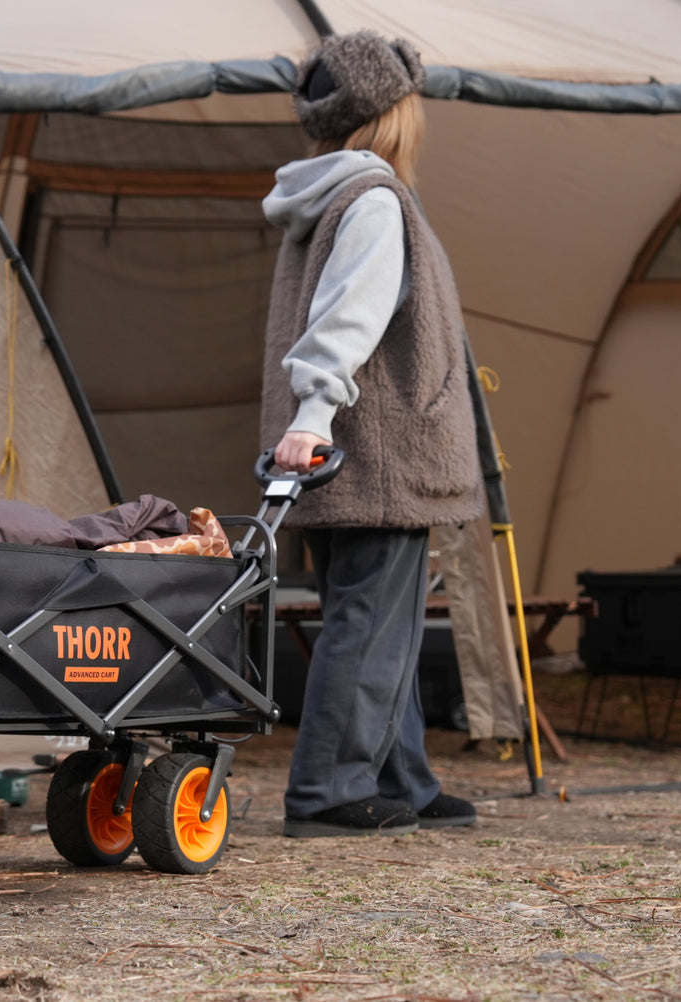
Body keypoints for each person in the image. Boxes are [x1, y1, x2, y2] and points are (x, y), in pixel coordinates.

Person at [261, 31, 483, 837]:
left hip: (351, 456)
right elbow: (344, 323)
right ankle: (327, 793)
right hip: (372, 453)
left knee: (383, 619)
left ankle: (402, 781)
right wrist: (314, 415)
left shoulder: (324, 197)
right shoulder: (374, 202)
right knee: (368, 620)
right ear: (392, 115)